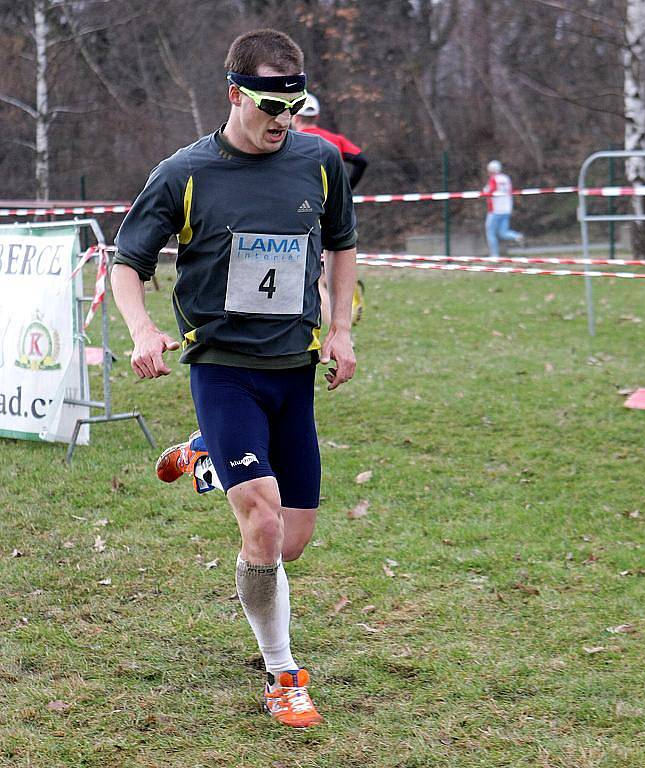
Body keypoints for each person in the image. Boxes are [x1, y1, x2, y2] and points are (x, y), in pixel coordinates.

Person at [110, 28, 358, 729]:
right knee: (264, 524)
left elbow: (341, 243)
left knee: (293, 542)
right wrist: (141, 332)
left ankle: (210, 455)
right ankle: (283, 672)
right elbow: (127, 262)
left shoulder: (318, 161)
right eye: (268, 108)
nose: (283, 123)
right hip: (221, 368)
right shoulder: (185, 172)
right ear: (234, 95)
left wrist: (340, 329)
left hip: (293, 370)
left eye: (294, 109)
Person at [292, 94, 367, 326]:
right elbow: (362, 160)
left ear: (295, 116)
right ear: (317, 116)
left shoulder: (292, 140)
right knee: (330, 266)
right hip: (334, 209)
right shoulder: (334, 139)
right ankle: (345, 314)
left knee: (313, 276)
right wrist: (346, 190)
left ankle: (336, 326)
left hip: (302, 210)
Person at [483, 159, 524, 257]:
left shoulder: (493, 179)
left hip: (495, 210)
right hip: (506, 208)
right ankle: (517, 236)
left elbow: (490, 192)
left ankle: (494, 255)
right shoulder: (506, 178)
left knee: (490, 233)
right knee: (503, 233)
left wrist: (485, 191)